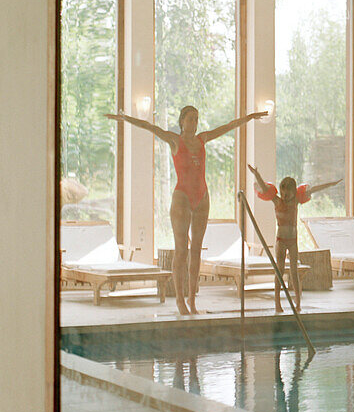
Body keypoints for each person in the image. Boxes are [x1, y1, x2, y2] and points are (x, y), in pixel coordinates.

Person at [107, 105, 269, 315]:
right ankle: (180, 300)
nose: (194, 123)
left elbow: (228, 126)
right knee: (182, 249)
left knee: (196, 250)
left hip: (202, 196)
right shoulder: (175, 140)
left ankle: (192, 300)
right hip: (182, 196)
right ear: (182, 121)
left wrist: (250, 117)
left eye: (197, 119)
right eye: (190, 119)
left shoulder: (202, 139)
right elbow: (148, 126)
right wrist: (124, 118)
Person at [248, 164, 341, 314]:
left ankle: (298, 303)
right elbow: (265, 189)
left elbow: (315, 189)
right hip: (281, 240)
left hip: (293, 241)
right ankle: (277, 304)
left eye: (288, 194)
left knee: (294, 271)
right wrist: (256, 174)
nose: (285, 197)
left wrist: (331, 184)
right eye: (283, 194)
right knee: (279, 270)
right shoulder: (277, 201)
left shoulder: (296, 201)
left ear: (293, 192)